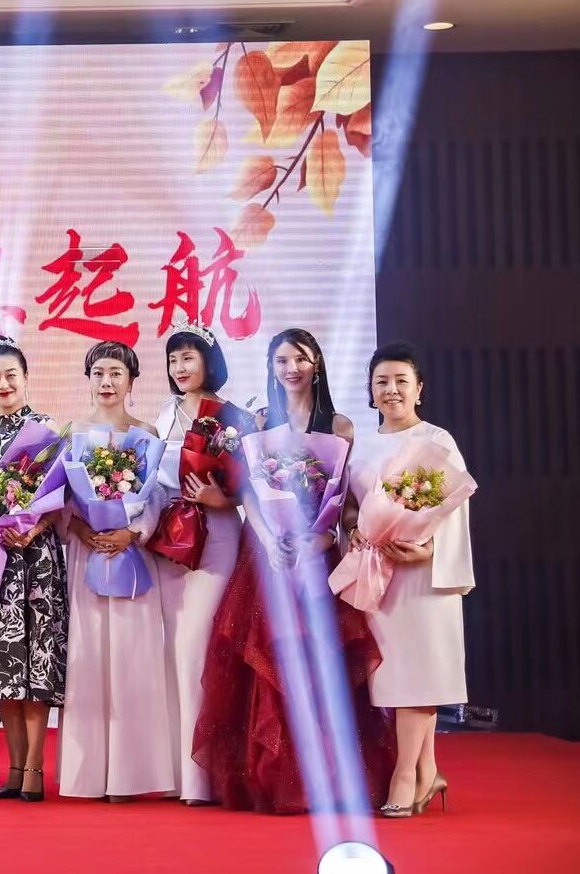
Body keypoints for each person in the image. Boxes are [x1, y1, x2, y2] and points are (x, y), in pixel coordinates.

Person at [192, 328, 395, 814]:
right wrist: (269, 541)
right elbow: (248, 493)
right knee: (268, 662)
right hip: (266, 557)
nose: (292, 369)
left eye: (301, 359)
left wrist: (323, 539)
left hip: (317, 557)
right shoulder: (259, 422)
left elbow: (343, 499)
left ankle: (325, 779)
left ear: (317, 364)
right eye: (282, 360)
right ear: (271, 367)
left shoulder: (340, 427)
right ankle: (269, 779)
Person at [347, 342, 473, 817]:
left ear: (419, 389)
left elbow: (456, 510)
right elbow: (351, 508)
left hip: (423, 575)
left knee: (419, 675)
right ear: (371, 391)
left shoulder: (438, 440)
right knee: (397, 674)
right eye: (382, 381)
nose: (392, 389)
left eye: (402, 381)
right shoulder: (361, 445)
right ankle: (428, 771)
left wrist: (429, 551)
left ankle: (405, 776)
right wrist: (355, 530)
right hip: (380, 573)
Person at [57, 341, 175, 802]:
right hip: (87, 555)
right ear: (88, 379)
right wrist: (81, 529)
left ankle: (131, 775)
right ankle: (88, 775)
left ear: (131, 381)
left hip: (132, 556)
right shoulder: (72, 433)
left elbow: (157, 499)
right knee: (88, 658)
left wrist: (133, 532)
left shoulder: (147, 434)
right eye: (99, 373)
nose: (106, 382)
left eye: (116, 374)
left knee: (132, 657)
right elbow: (59, 500)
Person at [0, 337, 67, 802]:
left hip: (34, 560)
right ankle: (15, 768)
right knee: (2, 662)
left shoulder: (46, 429)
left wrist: (33, 527)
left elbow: (60, 497)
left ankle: (36, 768)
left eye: (10, 376)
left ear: (25, 378)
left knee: (35, 660)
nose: (2, 384)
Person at [150, 322, 252, 803]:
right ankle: (177, 771)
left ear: (209, 361)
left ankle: (206, 775)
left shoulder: (235, 417)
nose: (180, 367)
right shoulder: (163, 416)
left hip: (218, 536)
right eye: (173, 360)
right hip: (172, 540)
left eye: (188, 357)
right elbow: (151, 480)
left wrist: (222, 498)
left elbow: (255, 487)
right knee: (173, 649)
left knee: (197, 646)